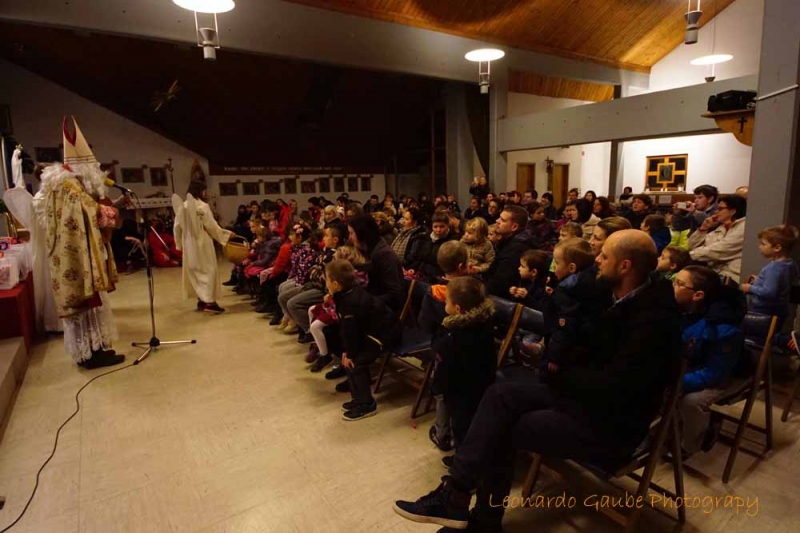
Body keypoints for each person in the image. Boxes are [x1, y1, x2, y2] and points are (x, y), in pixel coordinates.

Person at [393, 230, 682, 531]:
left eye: (604, 256)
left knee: (502, 428)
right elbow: (576, 330)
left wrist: (562, 370)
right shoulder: (611, 294)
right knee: (499, 395)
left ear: (625, 266)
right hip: (582, 396)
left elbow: (615, 387)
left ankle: (479, 517)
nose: (597, 259)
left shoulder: (655, 323)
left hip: (609, 423)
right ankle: (457, 494)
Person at [33, 117, 124, 368]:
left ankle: (92, 350)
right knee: (87, 304)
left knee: (89, 305)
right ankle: (92, 353)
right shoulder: (71, 186)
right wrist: (111, 212)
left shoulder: (58, 184)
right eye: (93, 164)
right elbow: (89, 211)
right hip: (79, 255)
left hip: (70, 252)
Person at [674, 266, 744, 456]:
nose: (672, 287)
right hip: (691, 364)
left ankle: (690, 446)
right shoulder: (680, 310)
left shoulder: (722, 328)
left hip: (723, 374)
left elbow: (715, 373)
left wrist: (678, 381)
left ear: (698, 295)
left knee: (692, 401)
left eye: (679, 283)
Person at [433, 277, 497, 467]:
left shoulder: (453, 336)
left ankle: (464, 464)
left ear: (458, 308)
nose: (444, 304)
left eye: (447, 301)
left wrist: (437, 388)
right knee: (474, 425)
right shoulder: (485, 323)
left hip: (459, 391)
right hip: (483, 384)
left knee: (462, 428)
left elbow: (444, 367)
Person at [327, 260, 401, 421]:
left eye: (327, 279)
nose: (326, 283)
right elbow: (348, 331)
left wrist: (349, 353)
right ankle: (358, 399)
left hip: (384, 335)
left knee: (355, 362)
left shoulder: (350, 302)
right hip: (368, 332)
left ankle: (367, 404)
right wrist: (346, 351)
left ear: (336, 284)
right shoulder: (345, 294)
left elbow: (351, 332)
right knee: (348, 359)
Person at [540, 238, 607, 380]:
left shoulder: (568, 289)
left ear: (571, 268)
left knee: (548, 377)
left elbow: (564, 325)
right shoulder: (590, 281)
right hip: (577, 348)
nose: (554, 267)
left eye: (557, 263)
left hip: (562, 350)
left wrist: (554, 356)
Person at [173, 180, 234, 314]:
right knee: (208, 270)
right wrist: (226, 235)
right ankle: (210, 303)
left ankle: (201, 300)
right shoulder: (203, 206)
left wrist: (179, 244)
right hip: (202, 241)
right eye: (204, 190)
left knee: (194, 270)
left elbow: (176, 227)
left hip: (188, 242)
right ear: (201, 191)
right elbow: (211, 226)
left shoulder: (183, 206)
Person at [306, 245, 369, 371]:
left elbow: (342, 300)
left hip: (342, 310)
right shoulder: (346, 275)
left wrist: (330, 299)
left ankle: (325, 355)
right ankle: (317, 344)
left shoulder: (354, 278)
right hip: (335, 304)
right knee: (311, 310)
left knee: (315, 326)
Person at [741, 225, 799, 322]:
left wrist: (749, 288)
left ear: (777, 247)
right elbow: (779, 283)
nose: (759, 247)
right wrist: (760, 280)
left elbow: (769, 292)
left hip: (763, 311)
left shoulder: (773, 268)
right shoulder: (790, 264)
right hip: (780, 310)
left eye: (763, 244)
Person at [688, 195, 747, 282]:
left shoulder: (744, 227)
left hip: (732, 277)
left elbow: (721, 249)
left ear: (732, 211)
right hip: (714, 273)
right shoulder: (721, 227)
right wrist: (704, 228)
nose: (716, 211)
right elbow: (691, 246)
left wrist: (691, 255)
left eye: (720, 209)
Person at [484, 206, 535, 297]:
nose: (497, 221)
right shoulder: (509, 241)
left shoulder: (517, 248)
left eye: (502, 220)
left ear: (514, 227)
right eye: (499, 218)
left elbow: (500, 283)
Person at [407, 211, 458, 283]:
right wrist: (413, 268)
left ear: (448, 225)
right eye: (435, 227)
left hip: (438, 278)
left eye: (442, 226)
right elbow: (419, 257)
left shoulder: (452, 241)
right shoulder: (425, 237)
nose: (438, 230)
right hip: (421, 274)